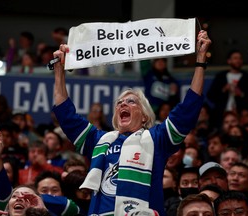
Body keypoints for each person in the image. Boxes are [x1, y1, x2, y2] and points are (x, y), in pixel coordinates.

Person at [51, 30, 211, 215]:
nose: (122, 104)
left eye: (130, 101)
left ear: (144, 116)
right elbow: (65, 115)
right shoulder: (99, 140)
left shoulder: (157, 138)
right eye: (119, 103)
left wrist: (200, 61)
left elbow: (188, 109)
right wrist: (59, 71)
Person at [207, 49, 248, 128]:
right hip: (221, 115)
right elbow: (210, 96)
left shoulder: (247, 77)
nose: (238, 60)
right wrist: (224, 89)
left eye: (240, 58)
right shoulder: (220, 76)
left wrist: (241, 94)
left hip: (240, 116)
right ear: (229, 61)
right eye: (235, 58)